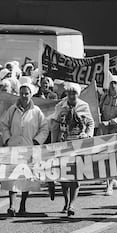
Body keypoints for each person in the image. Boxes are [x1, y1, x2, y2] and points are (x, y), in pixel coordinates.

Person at [1, 83, 49, 217]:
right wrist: (7, 139)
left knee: (27, 178)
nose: (24, 96)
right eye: (21, 93)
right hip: (14, 148)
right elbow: (4, 125)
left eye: (26, 93)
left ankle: (22, 206)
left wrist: (36, 141)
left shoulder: (37, 111)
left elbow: (44, 128)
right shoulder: (12, 110)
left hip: (29, 149)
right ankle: (11, 205)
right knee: (12, 177)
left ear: (31, 94)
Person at [51, 82, 94, 216]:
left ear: (78, 94)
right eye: (69, 93)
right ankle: (66, 200)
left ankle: (72, 204)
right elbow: (54, 125)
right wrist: (53, 144)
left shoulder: (83, 106)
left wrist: (87, 135)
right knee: (64, 176)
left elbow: (90, 123)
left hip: (78, 144)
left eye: (74, 93)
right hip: (63, 143)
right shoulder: (60, 106)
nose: (71, 96)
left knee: (76, 175)